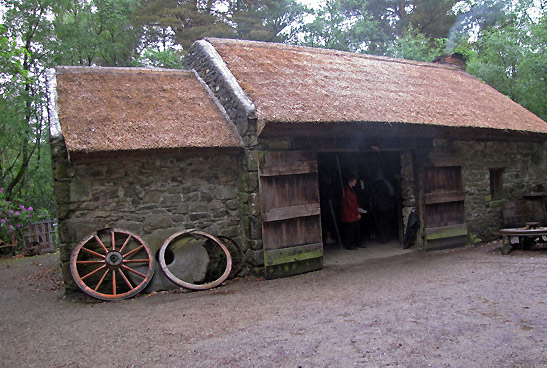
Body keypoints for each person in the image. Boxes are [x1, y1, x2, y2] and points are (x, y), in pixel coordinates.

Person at [340, 175, 366, 250]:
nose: (356, 182)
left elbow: (354, 202)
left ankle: (357, 242)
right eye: (355, 181)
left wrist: (359, 208)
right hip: (349, 214)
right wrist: (357, 213)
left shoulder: (351, 190)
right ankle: (349, 245)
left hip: (352, 213)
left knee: (356, 229)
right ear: (351, 181)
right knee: (350, 230)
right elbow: (349, 204)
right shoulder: (346, 191)